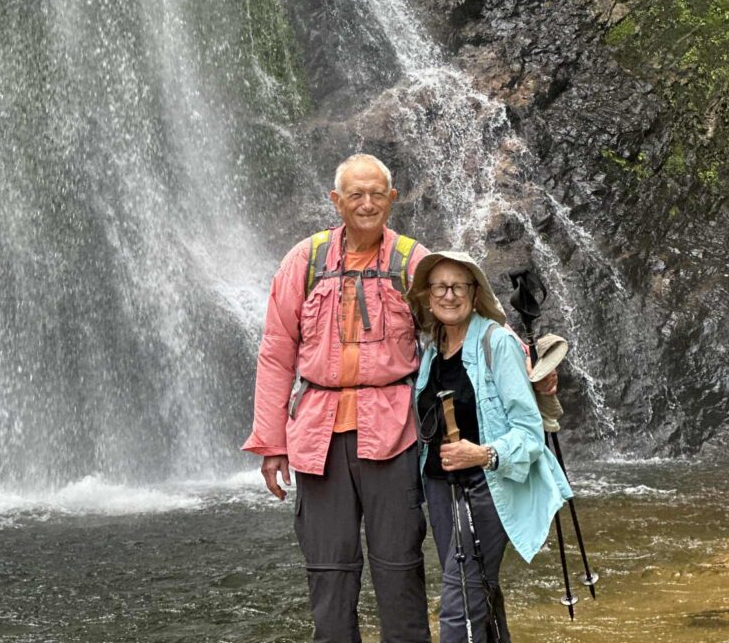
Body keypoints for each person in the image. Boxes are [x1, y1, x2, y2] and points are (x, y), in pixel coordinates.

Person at [242, 153, 432, 643]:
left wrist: (521, 358)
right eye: (355, 194)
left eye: (376, 194)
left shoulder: (413, 260)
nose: (366, 204)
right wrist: (271, 443)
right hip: (317, 438)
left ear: (393, 199)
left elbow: (461, 323)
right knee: (329, 574)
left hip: (393, 433)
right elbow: (276, 352)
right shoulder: (304, 261)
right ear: (336, 201)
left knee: (400, 568)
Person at [407, 250, 573, 643]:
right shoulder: (432, 351)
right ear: (428, 297)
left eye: (458, 286)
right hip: (440, 488)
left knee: (460, 600)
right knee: (479, 587)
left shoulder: (496, 343)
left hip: (485, 486)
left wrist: (483, 453)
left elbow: (530, 431)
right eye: (439, 287)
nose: (449, 295)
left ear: (474, 291)